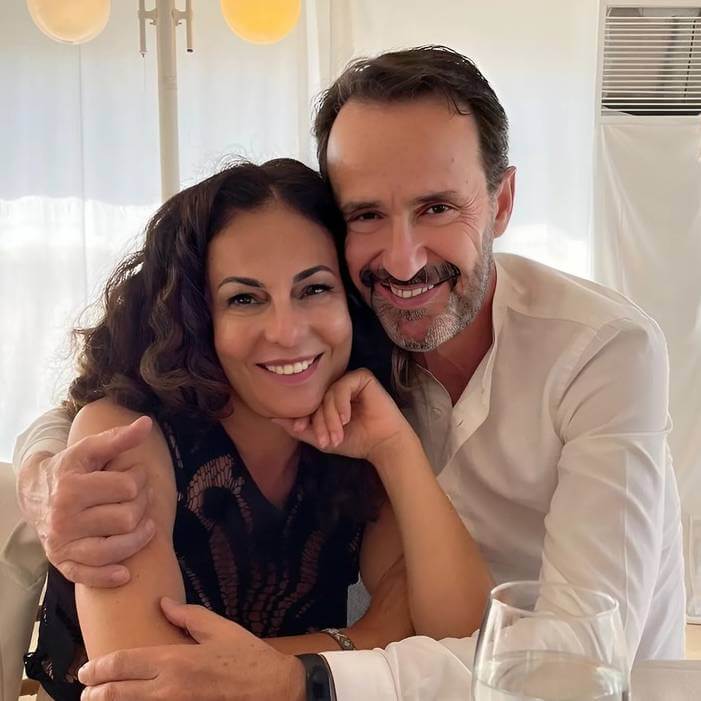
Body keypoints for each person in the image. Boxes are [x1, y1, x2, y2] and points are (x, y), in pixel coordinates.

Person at [13, 46, 685, 701]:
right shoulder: (362, 337)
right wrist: (41, 470)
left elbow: (573, 662)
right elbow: (111, 408)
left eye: (437, 207)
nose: (401, 260)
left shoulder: (598, 351)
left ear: (502, 201)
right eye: (367, 215)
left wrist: (296, 677)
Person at [18, 158, 490, 701]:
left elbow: (465, 644)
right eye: (244, 298)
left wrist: (395, 449)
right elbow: (147, 683)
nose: (286, 332)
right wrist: (365, 640)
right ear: (197, 317)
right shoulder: (129, 435)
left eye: (314, 289)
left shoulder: (359, 429)